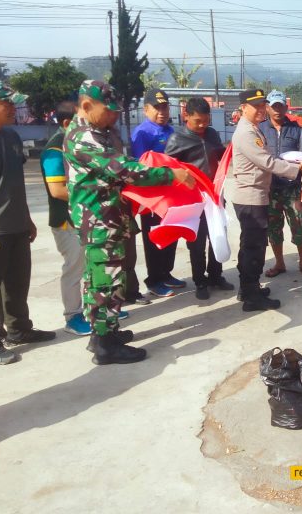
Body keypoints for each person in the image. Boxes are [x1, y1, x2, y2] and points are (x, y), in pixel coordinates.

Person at [64, 80, 195, 365]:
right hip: (98, 220)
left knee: (106, 278)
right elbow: (123, 169)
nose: (113, 116)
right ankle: (105, 346)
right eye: (108, 110)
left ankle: (104, 333)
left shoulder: (102, 130)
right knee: (105, 281)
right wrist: (170, 175)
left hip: (110, 216)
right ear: (87, 106)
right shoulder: (84, 137)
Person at [231, 89, 302, 311]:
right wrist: (298, 169)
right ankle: (251, 297)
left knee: (252, 246)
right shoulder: (246, 133)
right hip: (251, 197)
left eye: (262, 105)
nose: (261, 109)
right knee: (254, 248)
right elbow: (267, 162)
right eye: (256, 106)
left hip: (257, 194)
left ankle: (249, 288)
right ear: (243, 108)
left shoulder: (253, 129)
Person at [0, 80, 56, 365]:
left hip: (16, 222)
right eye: (5, 103)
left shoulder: (12, 138)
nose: (12, 109)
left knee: (18, 282)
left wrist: (27, 218)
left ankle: (19, 330)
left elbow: (15, 183)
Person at [164, 97, 233, 300]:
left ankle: (215, 276)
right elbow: (167, 167)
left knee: (217, 236)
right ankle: (200, 281)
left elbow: (219, 154)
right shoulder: (177, 139)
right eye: (198, 121)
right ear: (186, 115)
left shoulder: (211, 133)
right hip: (193, 199)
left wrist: (229, 151)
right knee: (196, 242)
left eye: (206, 120)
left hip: (214, 195)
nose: (203, 125)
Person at [39, 100, 89, 335]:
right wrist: (92, 195)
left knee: (88, 266)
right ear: (68, 123)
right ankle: (73, 316)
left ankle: (91, 309)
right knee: (74, 269)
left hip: (82, 217)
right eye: (82, 122)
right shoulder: (54, 150)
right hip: (65, 221)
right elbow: (58, 191)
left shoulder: (75, 145)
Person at [130, 88, 184, 299]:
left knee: (171, 233)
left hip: (172, 194)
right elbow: (141, 166)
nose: (162, 111)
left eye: (165, 107)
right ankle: (154, 280)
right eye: (157, 107)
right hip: (152, 197)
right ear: (146, 110)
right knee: (154, 238)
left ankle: (166, 273)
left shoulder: (171, 130)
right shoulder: (142, 133)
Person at [258, 90, 302, 279]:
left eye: (280, 106)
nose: (277, 110)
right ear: (267, 107)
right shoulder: (259, 129)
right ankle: (279, 263)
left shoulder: (296, 130)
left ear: (286, 107)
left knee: (300, 226)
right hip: (269, 190)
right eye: (273, 106)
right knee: (273, 229)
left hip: (292, 189)